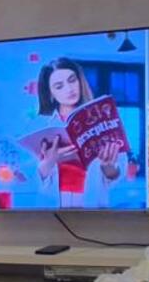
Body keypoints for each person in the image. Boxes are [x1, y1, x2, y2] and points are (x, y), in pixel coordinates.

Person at [32, 57, 123, 206]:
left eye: (72, 80)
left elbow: (117, 175)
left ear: (80, 81)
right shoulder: (41, 126)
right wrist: (48, 162)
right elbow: (30, 177)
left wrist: (108, 167)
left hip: (92, 203)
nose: (69, 89)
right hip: (54, 204)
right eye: (59, 86)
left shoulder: (104, 119)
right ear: (50, 93)